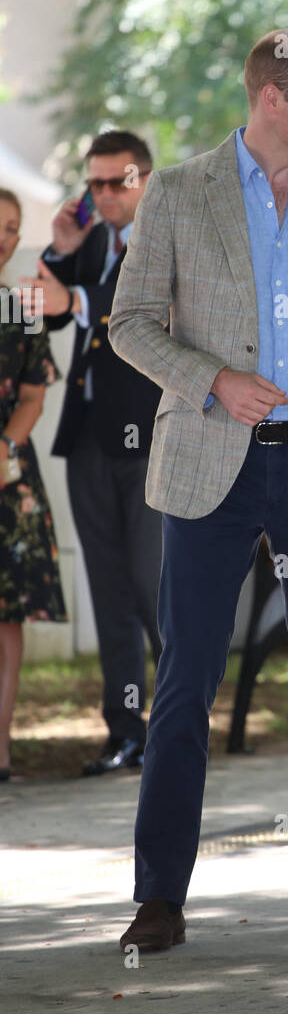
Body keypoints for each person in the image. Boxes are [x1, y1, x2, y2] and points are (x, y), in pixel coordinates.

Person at [109, 28, 288, 951]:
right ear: (272, 98)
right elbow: (126, 324)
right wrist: (210, 381)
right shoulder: (180, 191)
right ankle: (159, 895)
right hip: (209, 459)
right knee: (186, 680)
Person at [19, 132, 164, 776]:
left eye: (118, 182)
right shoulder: (96, 238)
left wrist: (75, 298)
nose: (104, 195)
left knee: (150, 585)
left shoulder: (167, 235)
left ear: (145, 179)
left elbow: (146, 313)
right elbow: (44, 317)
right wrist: (60, 248)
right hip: (87, 438)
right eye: (95, 185)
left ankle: (183, 722)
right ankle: (125, 732)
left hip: (148, 437)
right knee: (107, 589)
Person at [0, 188, 67, 779]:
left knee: (7, 613)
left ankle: (0, 748)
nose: (4, 238)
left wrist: (4, 447)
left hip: (7, 476)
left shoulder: (21, 307)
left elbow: (33, 394)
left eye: (12, 228)